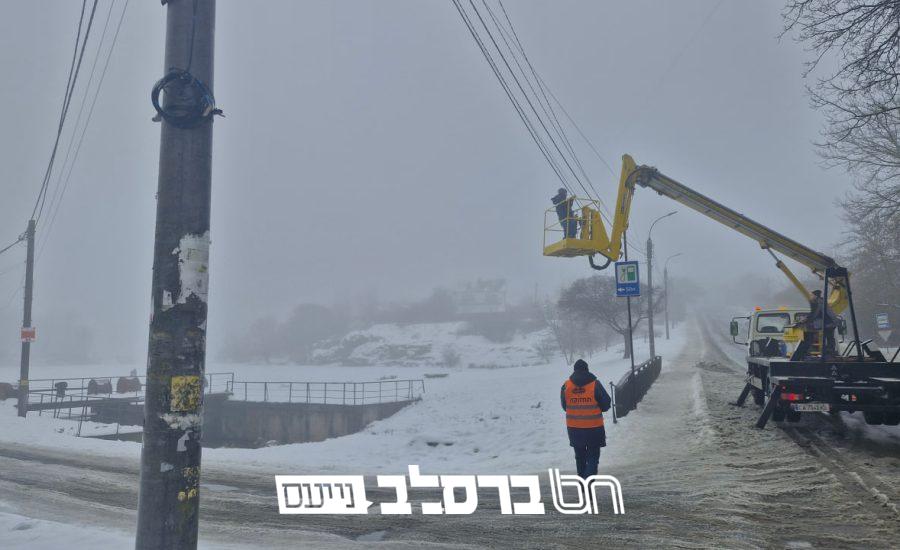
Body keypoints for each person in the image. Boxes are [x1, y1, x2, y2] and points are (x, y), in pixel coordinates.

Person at [560, 359, 612, 479]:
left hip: (574, 429)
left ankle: (582, 482)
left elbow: (564, 406)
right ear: (587, 370)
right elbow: (606, 404)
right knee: (593, 457)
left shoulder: (566, 386)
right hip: (594, 428)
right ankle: (589, 481)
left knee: (580, 457)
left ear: (574, 370)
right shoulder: (595, 384)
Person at [806, 289, 837, 355]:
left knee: (827, 337)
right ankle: (829, 351)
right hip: (830, 323)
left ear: (816, 296)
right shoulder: (821, 301)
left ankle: (828, 351)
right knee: (829, 337)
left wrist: (807, 319)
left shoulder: (819, 302)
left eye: (812, 295)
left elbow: (815, 313)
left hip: (828, 323)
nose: (811, 296)